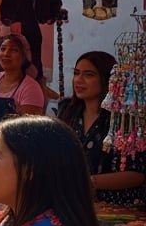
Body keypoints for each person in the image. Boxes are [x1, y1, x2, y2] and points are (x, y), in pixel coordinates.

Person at [57, 51, 145, 205]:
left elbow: (137, 174)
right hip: (73, 204)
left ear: (106, 80)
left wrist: (90, 182)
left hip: (118, 208)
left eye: (88, 75)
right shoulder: (67, 112)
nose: (79, 80)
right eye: (76, 73)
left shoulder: (124, 118)